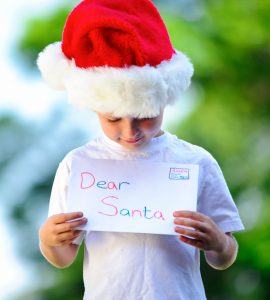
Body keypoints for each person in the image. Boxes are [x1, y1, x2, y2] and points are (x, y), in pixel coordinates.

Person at [38, 0, 244, 299]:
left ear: (164, 99)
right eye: (112, 118)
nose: (129, 130)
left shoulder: (196, 161)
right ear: (94, 107)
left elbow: (224, 258)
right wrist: (48, 240)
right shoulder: (79, 164)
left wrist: (219, 244)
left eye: (145, 116)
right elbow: (63, 257)